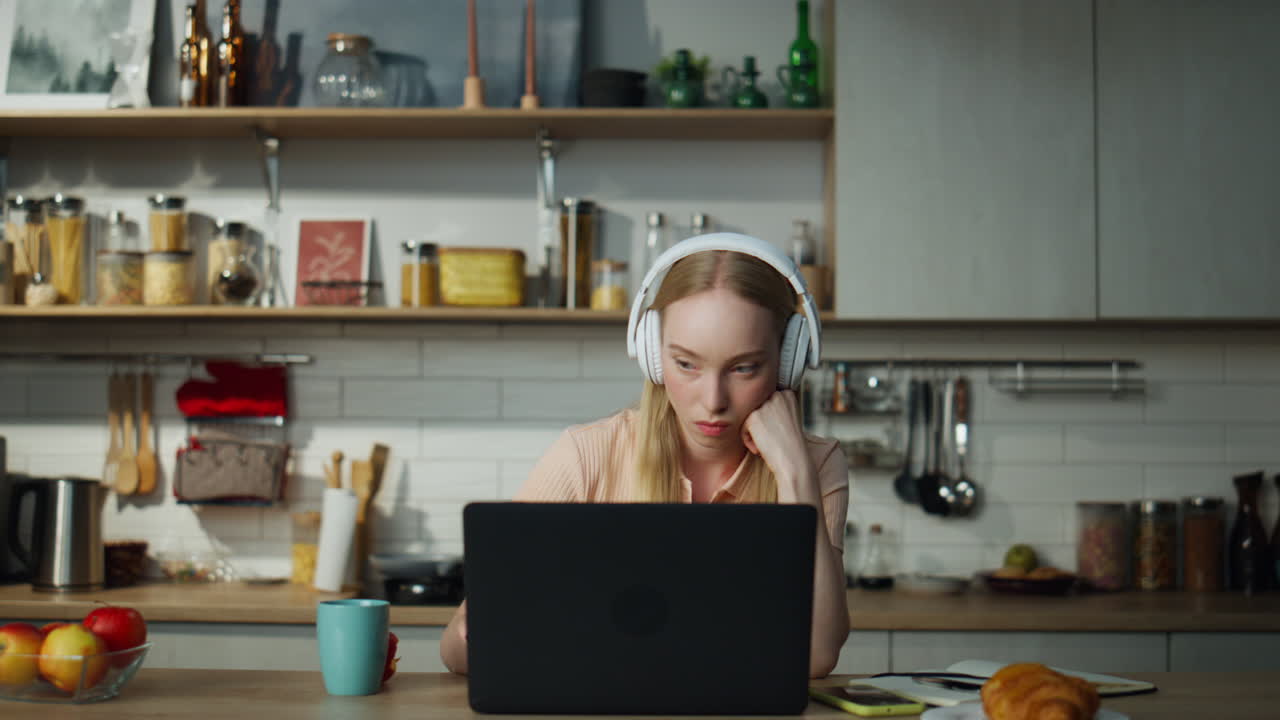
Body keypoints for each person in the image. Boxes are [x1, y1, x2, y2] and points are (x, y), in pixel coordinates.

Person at [441, 233, 850, 678]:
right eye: (686, 364)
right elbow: (456, 652)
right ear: (653, 355)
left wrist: (793, 471)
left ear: (788, 361)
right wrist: (480, 629)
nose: (713, 400)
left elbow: (817, 656)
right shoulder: (587, 455)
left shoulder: (816, 464)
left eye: (744, 368)